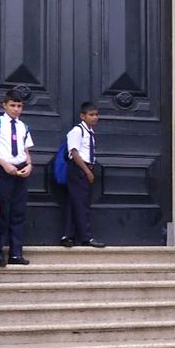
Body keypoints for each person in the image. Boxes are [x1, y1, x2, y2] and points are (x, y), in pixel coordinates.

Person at [0, 89, 33, 266]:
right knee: (2, 211)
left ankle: (16, 253)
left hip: (20, 170)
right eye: (12, 105)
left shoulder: (23, 126)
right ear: (4, 105)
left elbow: (26, 150)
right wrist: (4, 165)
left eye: (19, 106)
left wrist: (29, 164)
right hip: (2, 169)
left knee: (18, 212)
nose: (16, 109)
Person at [61, 102, 105, 249]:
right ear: (82, 116)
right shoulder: (77, 131)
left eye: (96, 115)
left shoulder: (90, 133)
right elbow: (74, 152)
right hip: (79, 169)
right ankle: (86, 237)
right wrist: (87, 171)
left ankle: (68, 235)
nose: (95, 117)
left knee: (75, 202)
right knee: (81, 204)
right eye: (91, 115)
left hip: (86, 167)